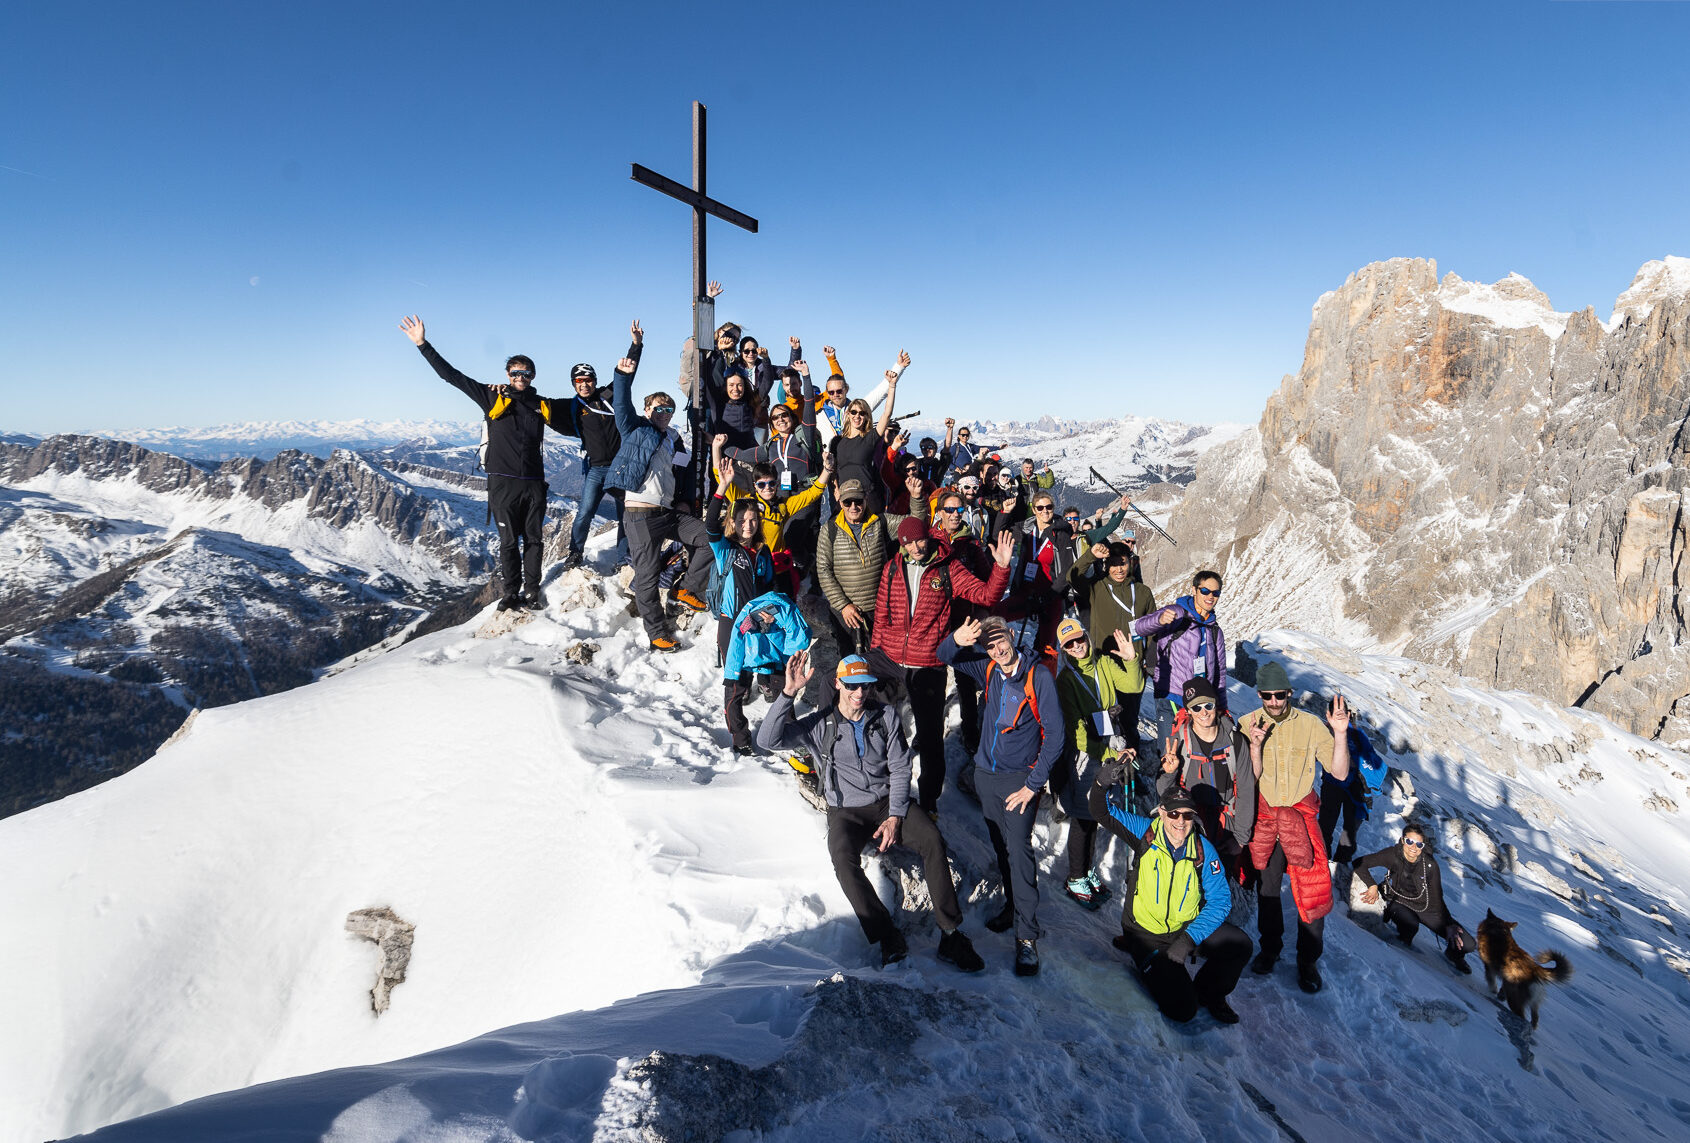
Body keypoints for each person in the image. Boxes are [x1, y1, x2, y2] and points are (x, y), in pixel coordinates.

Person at [757, 651, 986, 973]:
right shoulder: (819, 724)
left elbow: (900, 767)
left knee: (932, 840)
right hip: (845, 810)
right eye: (851, 685)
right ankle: (886, 934)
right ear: (837, 684)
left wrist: (895, 815)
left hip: (886, 802)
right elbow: (768, 740)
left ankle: (950, 933)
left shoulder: (886, 716)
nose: (859, 693)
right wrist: (788, 693)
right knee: (843, 860)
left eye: (865, 685)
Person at [400, 313, 576, 610]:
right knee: (508, 542)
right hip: (502, 484)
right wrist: (422, 344)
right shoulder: (491, 397)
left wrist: (626, 368)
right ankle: (510, 593)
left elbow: (586, 401)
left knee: (534, 540)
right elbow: (452, 376)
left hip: (534, 484)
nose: (521, 378)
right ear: (508, 374)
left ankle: (532, 591)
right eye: (516, 373)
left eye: (527, 373)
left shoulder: (542, 404)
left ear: (533, 376)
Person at [939, 616, 1063, 977]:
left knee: (1020, 851)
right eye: (990, 645)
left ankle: (1027, 938)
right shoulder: (991, 668)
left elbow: (1055, 736)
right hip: (986, 776)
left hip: (1018, 781)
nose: (998, 649)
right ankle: (1012, 906)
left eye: (1001, 641)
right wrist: (957, 638)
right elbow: (944, 655)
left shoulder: (1037, 677)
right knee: (1001, 845)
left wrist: (1032, 784)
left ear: (1012, 636)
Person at [868, 522, 1014, 817]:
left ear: (928, 537)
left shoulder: (948, 568)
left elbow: (985, 596)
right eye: (908, 543)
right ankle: (878, 789)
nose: (915, 548)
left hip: (928, 662)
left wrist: (1000, 569)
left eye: (919, 541)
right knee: (877, 725)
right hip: (891, 658)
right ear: (902, 544)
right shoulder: (892, 568)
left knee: (931, 737)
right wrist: (876, 653)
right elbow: (881, 616)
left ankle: (928, 802)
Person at [1090, 782, 1251, 1024]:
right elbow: (1101, 811)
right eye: (1174, 813)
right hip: (1146, 935)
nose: (1180, 821)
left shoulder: (1202, 849)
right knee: (1183, 1010)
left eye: (1187, 815)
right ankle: (1155, 967)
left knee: (1240, 945)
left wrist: (1188, 940)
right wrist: (1102, 783)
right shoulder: (1146, 833)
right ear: (1162, 812)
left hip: (1184, 929)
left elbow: (1220, 901)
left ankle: (1209, 994)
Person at [1239, 660, 1350, 993]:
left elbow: (1340, 772)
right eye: (1267, 695)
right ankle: (1270, 949)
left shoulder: (1312, 725)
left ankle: (1308, 960)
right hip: (1267, 817)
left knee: (1313, 891)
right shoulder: (1247, 724)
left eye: (1279, 695)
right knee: (1268, 889)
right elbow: (1248, 779)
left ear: (1289, 692)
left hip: (1301, 817)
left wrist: (1340, 734)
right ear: (1259, 694)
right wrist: (1255, 746)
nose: (1273, 702)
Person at [606, 356, 713, 653]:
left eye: (669, 408)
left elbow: (681, 471)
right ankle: (656, 634)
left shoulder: (671, 439)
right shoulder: (636, 429)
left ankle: (686, 589)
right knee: (648, 575)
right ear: (647, 410)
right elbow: (622, 407)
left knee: (708, 538)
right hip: (640, 513)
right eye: (659, 408)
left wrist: (683, 502)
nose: (665, 413)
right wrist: (622, 375)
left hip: (667, 511)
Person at [1053, 617, 1141, 910]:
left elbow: (1133, 684)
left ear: (1087, 638)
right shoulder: (1066, 680)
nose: (1077, 647)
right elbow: (1076, 730)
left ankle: (1086, 872)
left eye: (1079, 639)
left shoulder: (1102, 662)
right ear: (1064, 649)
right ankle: (1075, 877)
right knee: (1082, 814)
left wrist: (1131, 660)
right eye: (1070, 644)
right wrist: (1105, 754)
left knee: (1094, 812)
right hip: (1086, 753)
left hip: (1108, 744)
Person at [555, 320, 644, 570]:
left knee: (624, 516)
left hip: (620, 468)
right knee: (584, 513)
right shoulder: (573, 406)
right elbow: (542, 406)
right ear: (574, 384)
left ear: (594, 380)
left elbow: (627, 373)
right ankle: (575, 553)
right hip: (595, 469)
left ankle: (623, 559)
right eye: (578, 381)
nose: (584, 384)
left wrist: (636, 345)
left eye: (587, 379)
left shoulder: (608, 396)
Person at [1156, 677, 1254, 877]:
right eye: (1196, 707)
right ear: (1188, 711)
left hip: (1227, 827)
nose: (1203, 712)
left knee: (1219, 884)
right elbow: (1164, 793)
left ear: (1216, 705)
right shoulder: (1178, 742)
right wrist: (1169, 772)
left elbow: (1246, 789)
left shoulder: (1235, 742)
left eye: (1208, 705)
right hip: (1191, 824)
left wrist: (1240, 838)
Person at [704, 489, 778, 752]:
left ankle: (777, 727)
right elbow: (710, 525)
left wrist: (771, 611)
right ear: (733, 523)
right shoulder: (726, 550)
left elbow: (770, 586)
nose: (748, 525)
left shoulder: (763, 551)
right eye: (742, 520)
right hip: (732, 625)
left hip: (758, 624)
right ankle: (741, 739)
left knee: (765, 670)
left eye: (753, 520)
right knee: (735, 684)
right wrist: (720, 490)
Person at [815, 477, 923, 656]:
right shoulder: (830, 529)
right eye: (847, 502)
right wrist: (843, 605)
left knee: (880, 658)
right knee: (849, 661)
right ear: (840, 503)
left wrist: (916, 497)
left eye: (858, 501)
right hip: (845, 613)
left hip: (879, 608)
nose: (853, 507)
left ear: (865, 500)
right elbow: (823, 570)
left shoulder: (881, 522)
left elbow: (915, 526)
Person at [1353, 825, 1474, 974]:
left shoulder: (1430, 865)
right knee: (1410, 925)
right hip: (1399, 901)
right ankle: (1402, 948)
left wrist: (1448, 924)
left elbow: (1437, 897)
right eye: (1410, 841)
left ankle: (1453, 955)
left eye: (1419, 844)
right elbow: (1360, 863)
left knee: (1468, 943)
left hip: (1427, 908)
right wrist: (1372, 886)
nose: (1413, 847)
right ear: (1403, 840)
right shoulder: (1392, 854)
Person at [1134, 569, 1228, 752]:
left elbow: (1220, 672)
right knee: (1170, 753)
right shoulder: (1178, 614)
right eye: (1205, 591)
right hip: (1172, 695)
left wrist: (1222, 708)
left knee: (1196, 756)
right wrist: (1159, 619)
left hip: (1201, 703)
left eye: (1215, 593)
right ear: (1194, 590)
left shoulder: (1215, 631)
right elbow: (1139, 627)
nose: (1210, 597)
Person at [723, 591, 810, 753]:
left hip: (768, 650)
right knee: (734, 691)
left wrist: (770, 626)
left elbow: (788, 642)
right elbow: (736, 641)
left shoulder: (787, 613)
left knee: (784, 689)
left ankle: (790, 732)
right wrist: (731, 674)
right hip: (735, 629)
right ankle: (740, 739)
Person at [1002, 490, 1074, 653]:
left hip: (1051, 597)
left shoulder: (1060, 535)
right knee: (997, 615)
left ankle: (1043, 675)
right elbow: (998, 533)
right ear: (1033, 510)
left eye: (1048, 507)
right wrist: (1005, 513)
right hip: (1026, 592)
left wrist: (1050, 595)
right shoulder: (1027, 531)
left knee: (1047, 645)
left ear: (1053, 508)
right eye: (1040, 508)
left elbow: (1067, 570)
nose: (1045, 511)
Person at [828, 365, 902, 514]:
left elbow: (887, 414)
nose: (857, 416)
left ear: (867, 416)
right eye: (854, 412)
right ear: (848, 414)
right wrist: (836, 489)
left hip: (868, 499)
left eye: (862, 413)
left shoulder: (870, 438)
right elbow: (834, 470)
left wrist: (892, 385)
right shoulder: (837, 442)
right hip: (845, 499)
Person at [1319, 719, 1388, 866]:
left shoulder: (1328, 730)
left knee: (1326, 825)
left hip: (1334, 785)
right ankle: (1341, 862)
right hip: (1355, 790)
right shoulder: (1358, 733)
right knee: (1349, 829)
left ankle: (1322, 858)